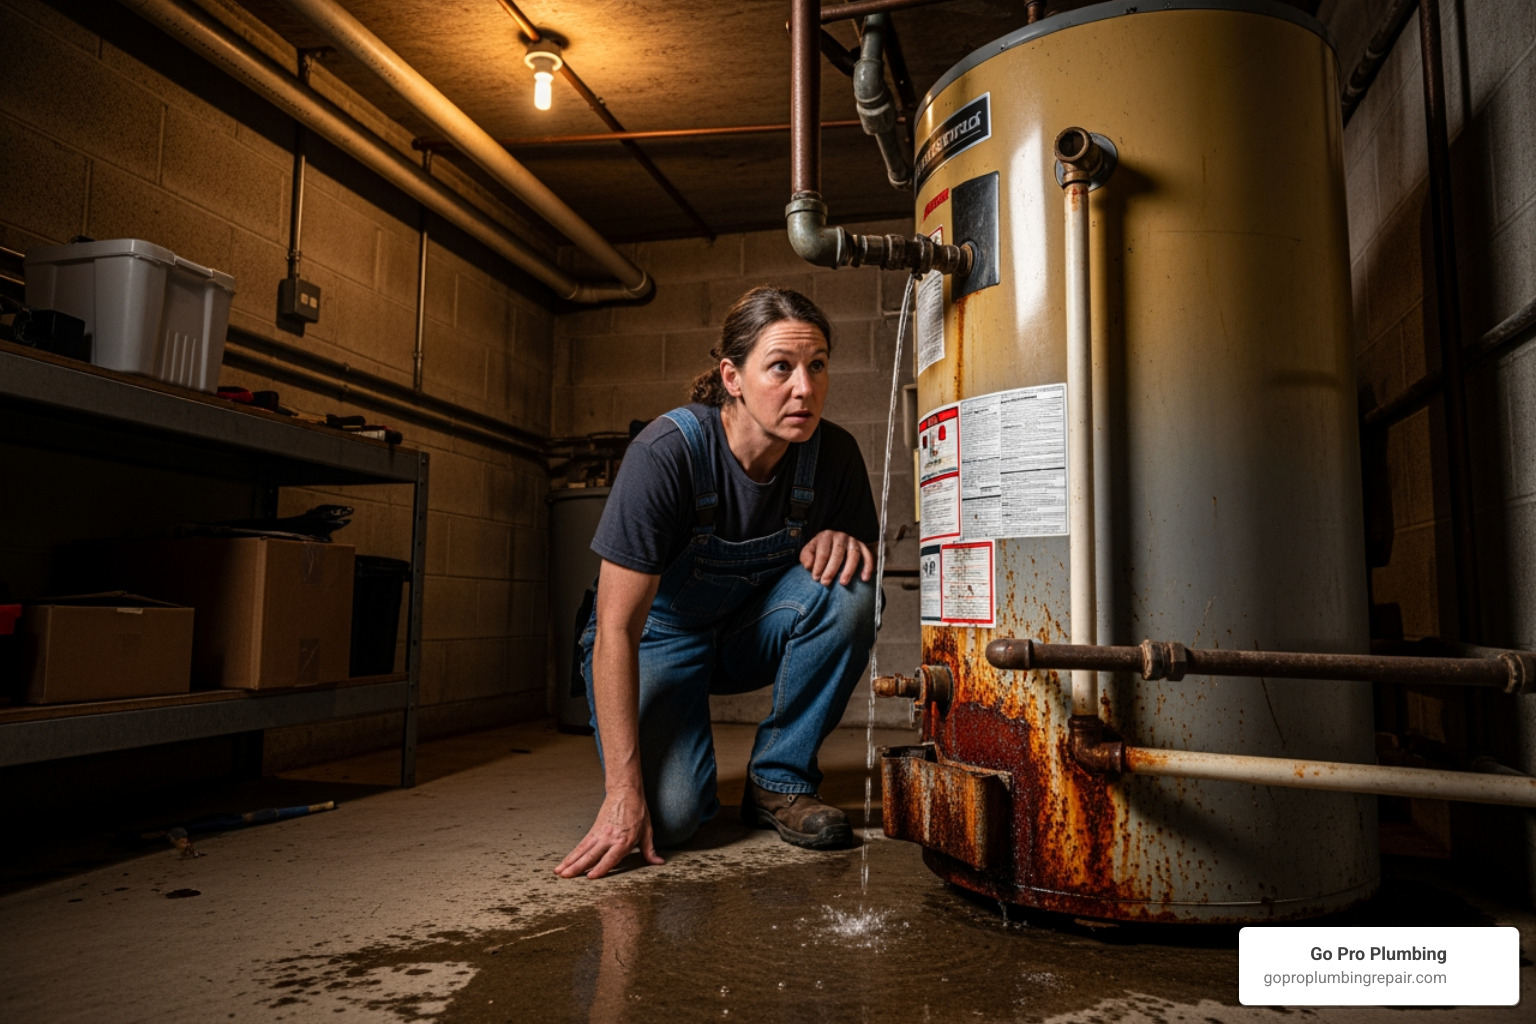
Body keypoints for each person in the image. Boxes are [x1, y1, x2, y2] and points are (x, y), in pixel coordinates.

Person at [555, 286, 879, 881]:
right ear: (731, 376)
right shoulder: (666, 454)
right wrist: (623, 791)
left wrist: (847, 544)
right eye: (780, 367)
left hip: (744, 635)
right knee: (673, 820)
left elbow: (857, 566)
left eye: (817, 366)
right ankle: (662, 768)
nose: (804, 388)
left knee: (853, 587)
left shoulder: (834, 455)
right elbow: (617, 631)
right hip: (656, 637)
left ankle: (778, 782)